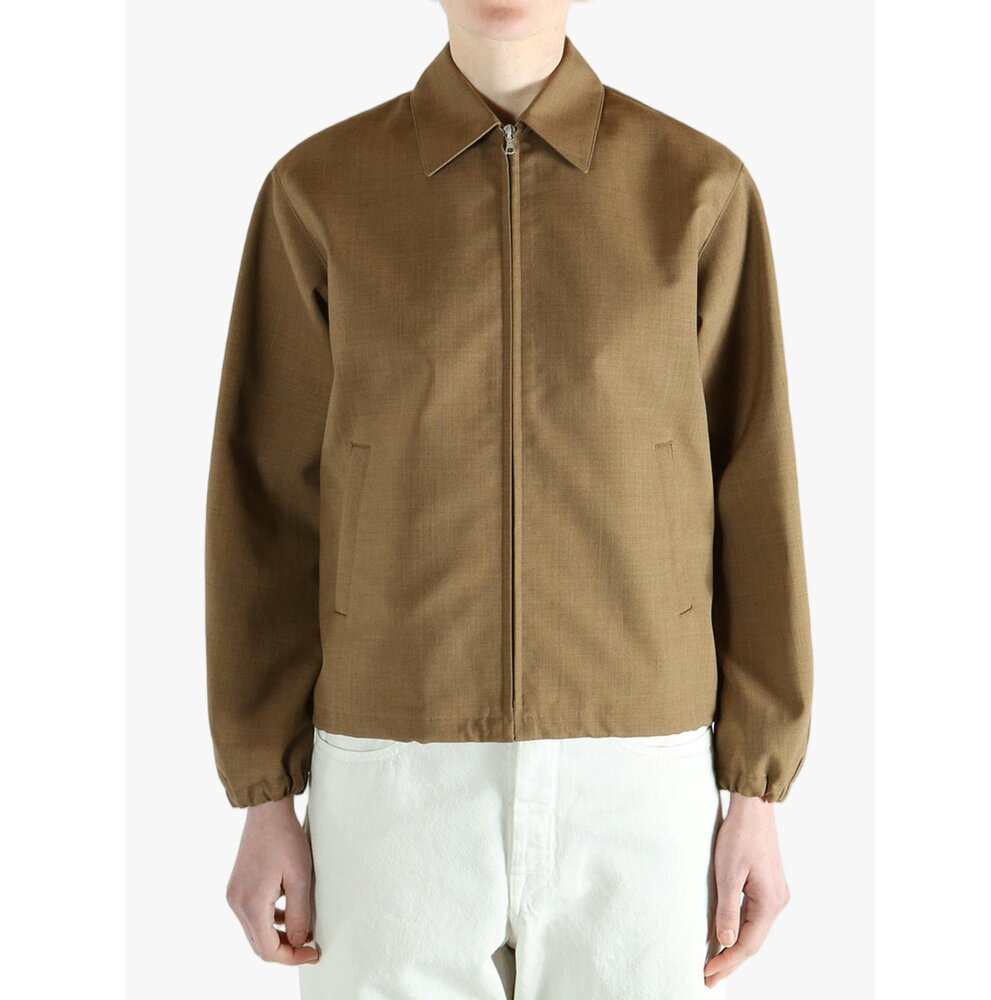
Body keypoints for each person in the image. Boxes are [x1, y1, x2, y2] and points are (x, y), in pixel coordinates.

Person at [205, 1, 814, 996]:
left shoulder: (698, 191)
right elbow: (266, 505)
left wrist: (757, 790)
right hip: (391, 778)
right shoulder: (319, 193)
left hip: (638, 779)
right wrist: (265, 795)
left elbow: (754, 492)